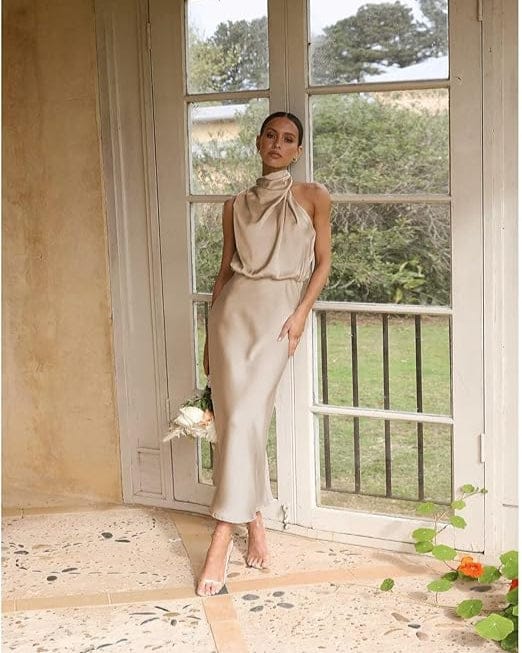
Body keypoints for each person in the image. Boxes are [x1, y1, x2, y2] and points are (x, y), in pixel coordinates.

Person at [196, 111, 332, 597]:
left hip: (278, 316)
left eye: (288, 139)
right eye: (271, 135)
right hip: (232, 318)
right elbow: (223, 273)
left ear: (298, 150)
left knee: (246, 419)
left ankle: (219, 540)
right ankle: (253, 521)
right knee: (239, 423)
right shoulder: (234, 205)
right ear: (258, 143)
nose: (278, 143)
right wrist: (208, 338)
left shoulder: (313, 196)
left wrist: (300, 315)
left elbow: (323, 263)